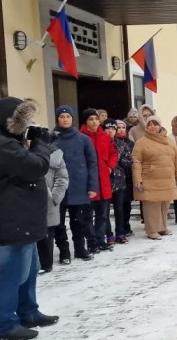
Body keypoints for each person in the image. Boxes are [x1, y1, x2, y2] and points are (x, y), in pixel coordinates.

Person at [0, 98, 58, 340]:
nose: (29, 125)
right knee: (12, 271)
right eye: (25, 121)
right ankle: (5, 323)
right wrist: (41, 143)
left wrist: (30, 142)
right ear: (11, 122)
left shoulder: (4, 140)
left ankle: (28, 311)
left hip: (21, 215)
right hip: (9, 216)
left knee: (30, 268)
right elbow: (35, 166)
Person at [53, 105, 98, 263]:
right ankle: (64, 252)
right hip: (57, 188)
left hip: (79, 186)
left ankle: (80, 248)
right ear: (57, 119)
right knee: (58, 222)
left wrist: (93, 186)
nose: (65, 119)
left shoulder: (83, 139)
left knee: (79, 221)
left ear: (72, 119)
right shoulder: (51, 138)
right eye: (62, 117)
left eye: (68, 117)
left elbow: (92, 163)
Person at [131, 116, 177, 240]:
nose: (152, 127)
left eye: (155, 124)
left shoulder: (168, 140)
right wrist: (137, 179)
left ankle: (163, 227)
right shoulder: (141, 142)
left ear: (160, 126)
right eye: (150, 124)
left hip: (167, 178)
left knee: (164, 204)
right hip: (149, 179)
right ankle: (152, 230)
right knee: (151, 206)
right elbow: (136, 161)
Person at [79, 108, 117, 253]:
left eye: (96, 119)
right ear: (85, 121)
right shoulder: (81, 137)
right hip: (88, 182)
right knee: (88, 215)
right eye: (90, 119)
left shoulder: (105, 137)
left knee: (103, 215)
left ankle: (101, 240)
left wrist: (110, 166)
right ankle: (91, 241)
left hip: (104, 181)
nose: (94, 122)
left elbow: (113, 153)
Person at [38, 141, 69, 273]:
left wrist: (54, 197)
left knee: (48, 232)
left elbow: (62, 178)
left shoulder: (54, 155)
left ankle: (46, 264)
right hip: (26, 200)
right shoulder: (20, 152)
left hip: (49, 200)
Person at [105, 119, 132, 243]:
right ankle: (108, 234)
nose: (110, 131)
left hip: (119, 180)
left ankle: (120, 233)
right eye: (108, 128)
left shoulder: (121, 144)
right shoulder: (99, 143)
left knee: (119, 209)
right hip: (104, 180)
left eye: (113, 128)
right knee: (105, 210)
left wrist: (118, 162)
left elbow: (128, 161)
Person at [114, 120, 135, 238]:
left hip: (128, 176)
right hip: (117, 177)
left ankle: (126, 225)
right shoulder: (113, 142)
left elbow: (132, 159)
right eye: (119, 127)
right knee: (119, 205)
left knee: (127, 204)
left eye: (123, 127)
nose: (121, 129)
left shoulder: (130, 143)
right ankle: (120, 228)